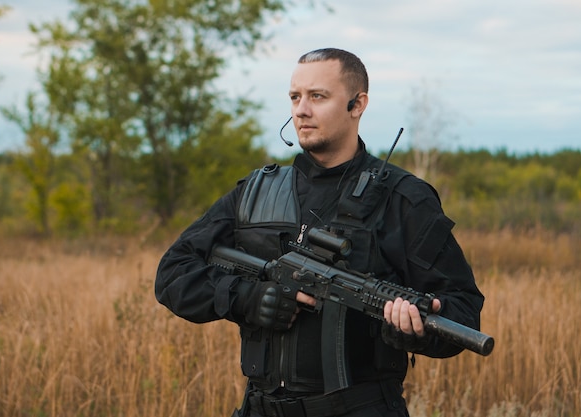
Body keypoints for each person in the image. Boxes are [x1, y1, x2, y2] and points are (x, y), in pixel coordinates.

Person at [155, 47, 484, 417]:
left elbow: (463, 311)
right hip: (259, 408)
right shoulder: (255, 193)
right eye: (295, 97)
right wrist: (245, 298)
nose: (301, 110)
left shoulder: (404, 199)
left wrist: (410, 330)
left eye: (317, 96)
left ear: (357, 105)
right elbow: (172, 274)